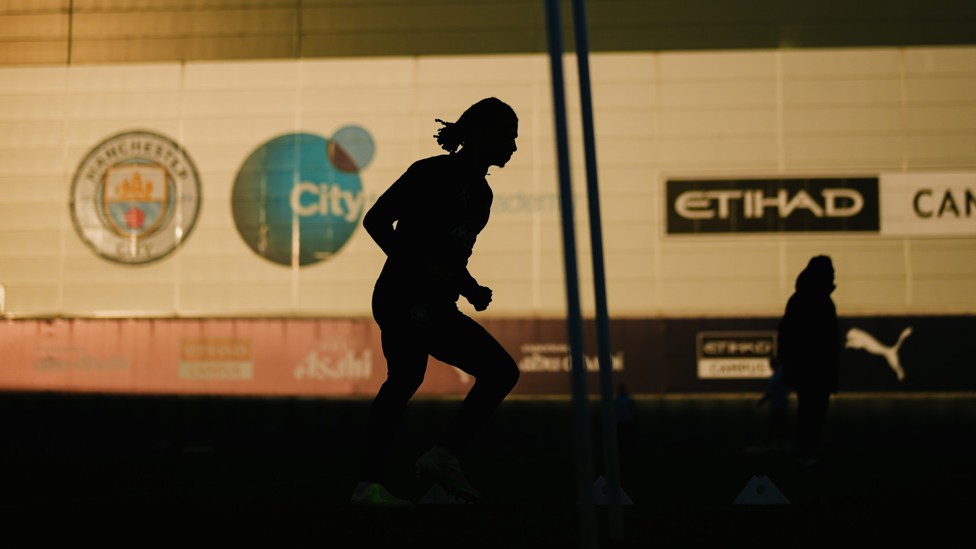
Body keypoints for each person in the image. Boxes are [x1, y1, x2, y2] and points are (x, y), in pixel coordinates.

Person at [351, 98, 522, 507]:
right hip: (402, 296)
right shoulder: (430, 172)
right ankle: (398, 473)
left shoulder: (481, 194)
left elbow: (449, 257)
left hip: (436, 303)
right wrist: (417, 267)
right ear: (481, 135)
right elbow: (376, 220)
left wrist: (470, 286)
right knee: (419, 377)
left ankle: (394, 475)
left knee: (492, 373)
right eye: (508, 137)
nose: (514, 147)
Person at [775, 255, 841, 468]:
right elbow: (828, 339)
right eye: (830, 272)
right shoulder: (822, 301)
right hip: (816, 367)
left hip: (806, 366)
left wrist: (787, 361)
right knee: (814, 410)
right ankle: (807, 452)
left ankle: (806, 451)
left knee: (809, 409)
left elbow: (786, 333)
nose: (833, 275)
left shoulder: (800, 299)